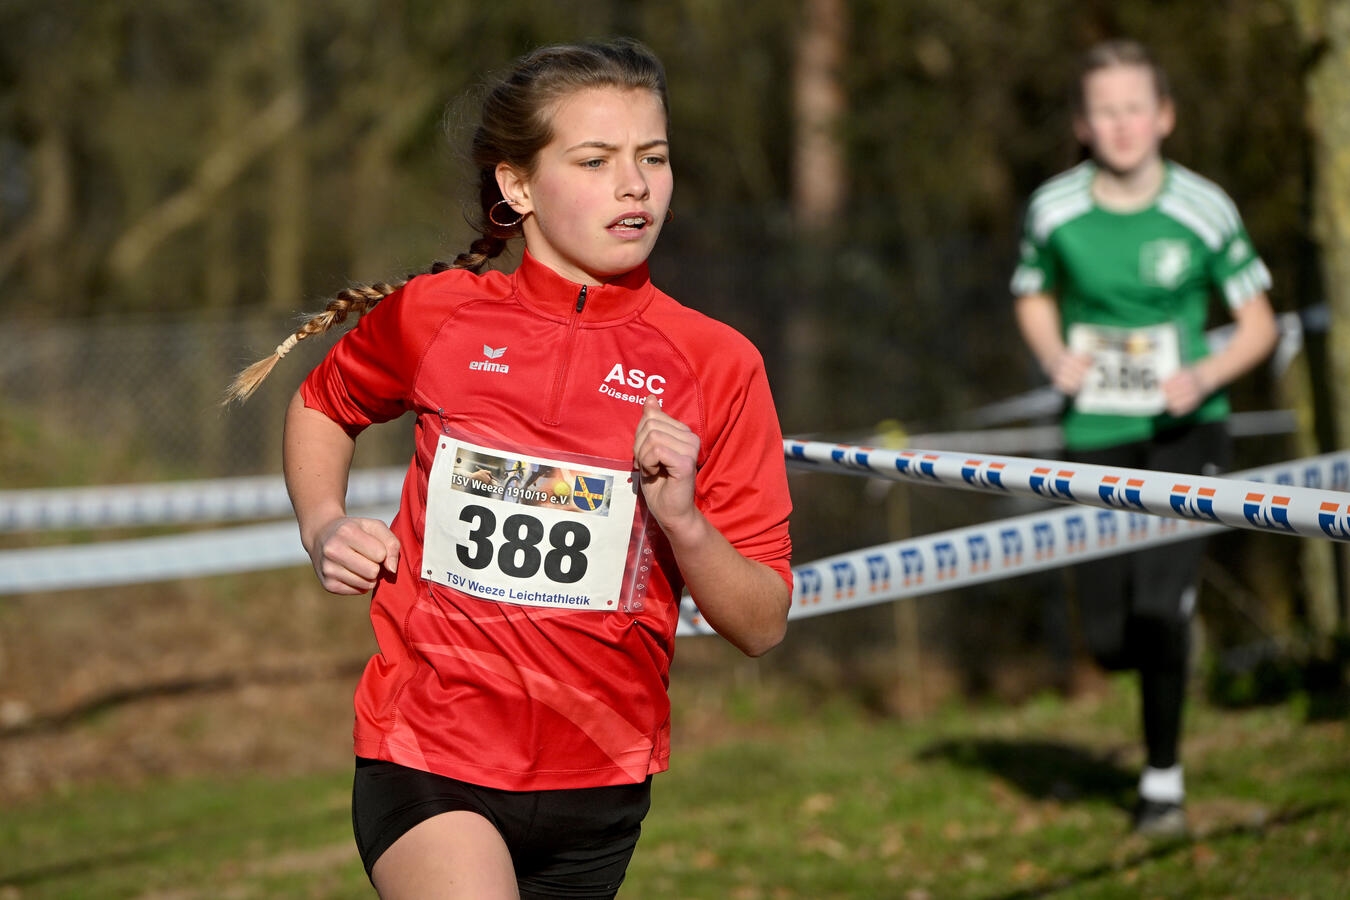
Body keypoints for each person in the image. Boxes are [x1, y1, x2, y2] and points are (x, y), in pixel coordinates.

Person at [227, 38, 793, 899]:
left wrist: (684, 522)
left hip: (599, 777)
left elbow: (762, 625)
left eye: (654, 157)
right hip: (428, 751)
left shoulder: (717, 363)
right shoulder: (437, 318)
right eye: (596, 160)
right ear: (517, 186)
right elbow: (321, 405)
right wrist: (324, 525)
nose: (635, 185)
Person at [1010, 39, 1278, 838]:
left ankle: (1162, 779)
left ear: (1163, 116)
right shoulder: (1054, 208)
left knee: (1160, 607)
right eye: (1104, 110)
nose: (1122, 125)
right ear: (1083, 126)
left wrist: (1207, 371)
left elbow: (1259, 324)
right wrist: (1054, 353)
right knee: (1109, 635)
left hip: (1186, 432)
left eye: (1135, 107)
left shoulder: (1204, 208)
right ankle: (1149, 670)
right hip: (1094, 431)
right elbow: (1031, 292)